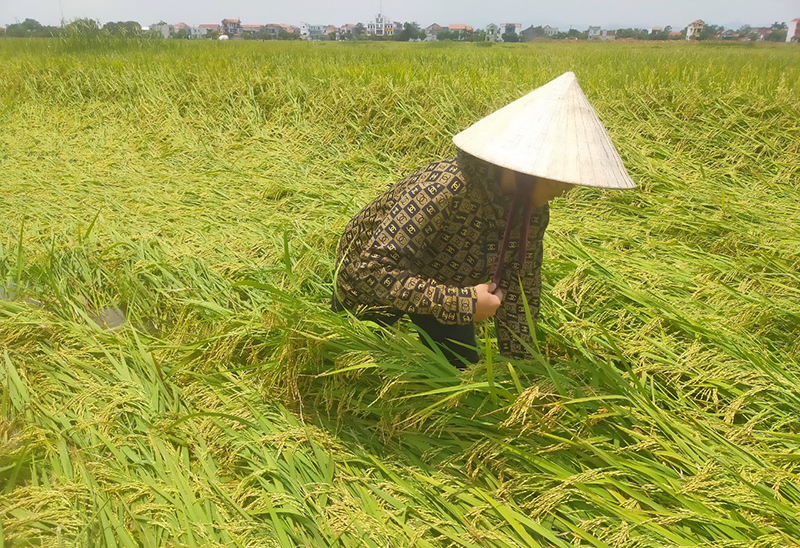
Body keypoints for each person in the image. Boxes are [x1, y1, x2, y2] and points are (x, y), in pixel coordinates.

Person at [332, 72, 636, 368]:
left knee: (459, 371)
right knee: (356, 356)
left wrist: (525, 368)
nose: (568, 187)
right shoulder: (444, 187)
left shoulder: (532, 210)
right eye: (560, 175)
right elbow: (372, 271)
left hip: (449, 281)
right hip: (372, 275)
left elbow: (521, 284)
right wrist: (462, 303)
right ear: (525, 169)